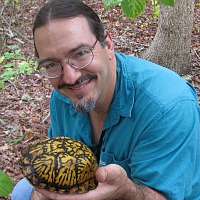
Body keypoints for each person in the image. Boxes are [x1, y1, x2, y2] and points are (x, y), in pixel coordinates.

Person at [12, 0, 200, 199]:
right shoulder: (63, 98)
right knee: (23, 192)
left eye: (81, 53)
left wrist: (126, 192)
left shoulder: (168, 106)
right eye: (52, 64)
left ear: (108, 45)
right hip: (88, 187)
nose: (70, 77)